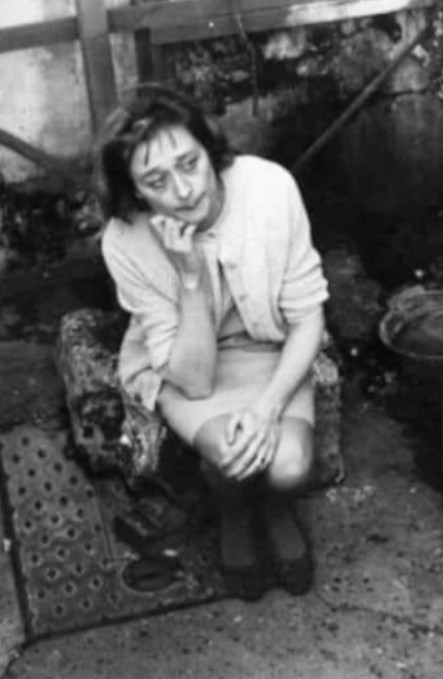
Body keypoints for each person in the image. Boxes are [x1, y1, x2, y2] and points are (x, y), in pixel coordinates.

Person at [94, 83, 330, 601]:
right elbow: (194, 382)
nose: (184, 190)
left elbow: (308, 317)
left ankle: (272, 504)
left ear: (209, 150)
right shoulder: (125, 239)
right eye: (157, 181)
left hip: (271, 349)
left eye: (189, 162)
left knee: (288, 467)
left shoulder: (270, 188)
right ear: (136, 193)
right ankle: (234, 511)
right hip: (187, 364)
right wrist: (190, 277)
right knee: (229, 452)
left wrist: (268, 409)